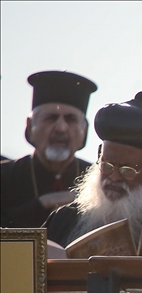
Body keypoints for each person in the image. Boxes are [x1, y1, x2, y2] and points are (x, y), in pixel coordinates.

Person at [43, 91, 142, 257]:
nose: (115, 177)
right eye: (107, 166)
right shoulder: (63, 221)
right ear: (99, 156)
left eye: (127, 170)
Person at [1, 71, 97, 229]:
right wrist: (42, 204)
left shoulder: (98, 179)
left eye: (71, 119)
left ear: (84, 131)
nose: (61, 128)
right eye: (51, 118)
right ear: (31, 126)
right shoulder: (4, 177)